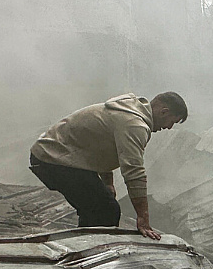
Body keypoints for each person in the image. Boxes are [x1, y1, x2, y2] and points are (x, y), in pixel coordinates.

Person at [29, 92, 186, 239]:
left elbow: (101, 146)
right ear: (164, 112)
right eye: (171, 121)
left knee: (98, 207)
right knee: (105, 212)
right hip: (53, 158)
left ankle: (83, 244)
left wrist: (108, 182)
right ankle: (86, 256)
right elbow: (134, 172)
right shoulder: (135, 124)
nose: (169, 128)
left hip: (54, 155)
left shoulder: (129, 108)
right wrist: (143, 219)